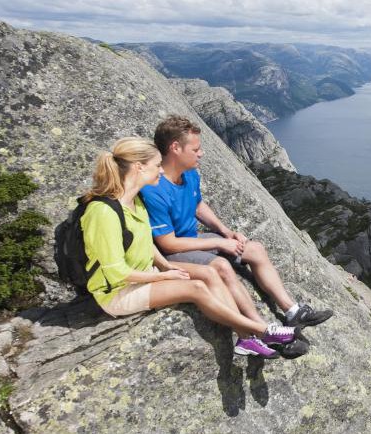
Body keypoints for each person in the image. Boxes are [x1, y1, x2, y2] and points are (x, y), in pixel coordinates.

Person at [80, 137, 298, 358]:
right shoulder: (103, 212)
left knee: (210, 272)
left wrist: (165, 266)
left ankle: (245, 339)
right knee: (197, 289)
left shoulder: (134, 202)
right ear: (139, 167)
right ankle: (260, 331)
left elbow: (146, 243)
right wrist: (162, 277)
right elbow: (116, 272)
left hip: (145, 274)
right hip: (118, 293)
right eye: (157, 166)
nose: (161, 172)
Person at [141, 116, 332, 329]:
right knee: (222, 266)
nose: (201, 153)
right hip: (173, 252)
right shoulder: (154, 189)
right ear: (175, 148)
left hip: (193, 239)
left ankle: (292, 311)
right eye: (195, 150)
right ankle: (262, 329)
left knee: (256, 250)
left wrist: (225, 232)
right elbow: (169, 244)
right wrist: (220, 243)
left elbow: (197, 206)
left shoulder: (189, 174)